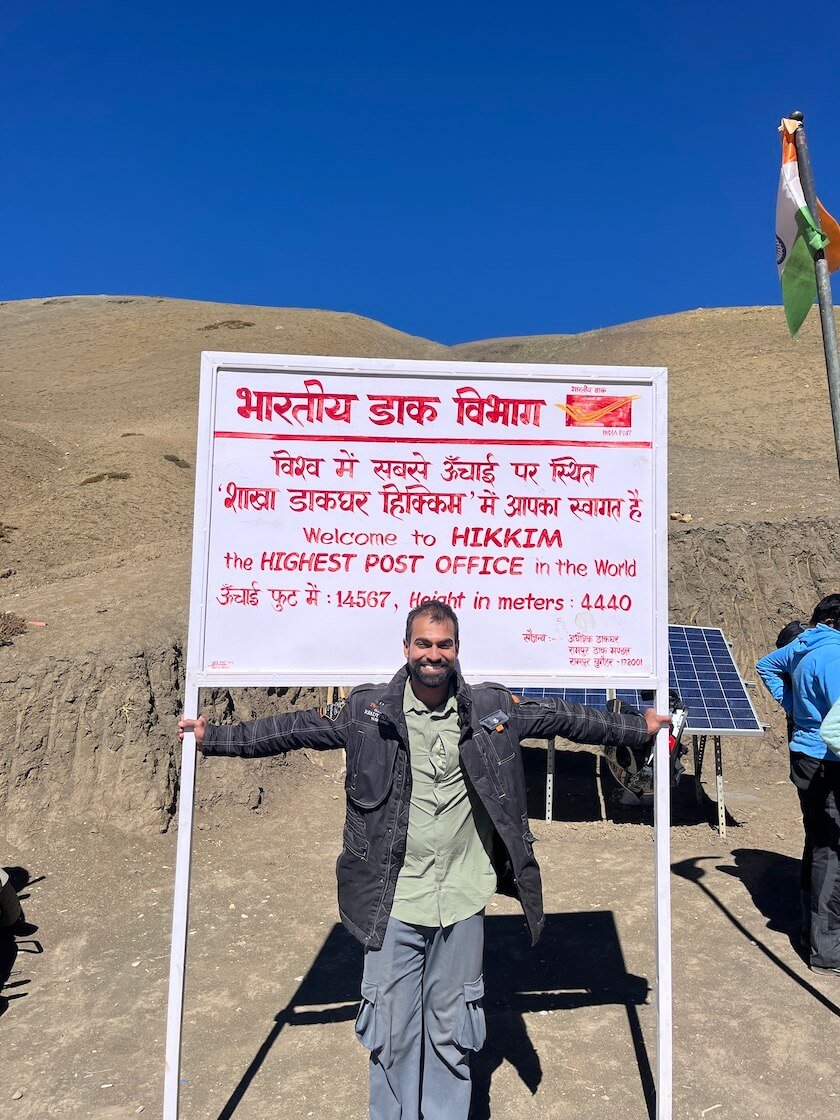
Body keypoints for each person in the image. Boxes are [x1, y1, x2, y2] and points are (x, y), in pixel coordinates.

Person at [179, 599, 670, 1119]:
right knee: (390, 1034)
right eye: (423, 644)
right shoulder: (368, 713)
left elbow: (563, 717)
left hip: (461, 899)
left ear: (456, 650)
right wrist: (215, 739)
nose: (433, 655)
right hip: (393, 901)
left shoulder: (492, 709)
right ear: (406, 648)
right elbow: (291, 729)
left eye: (443, 645)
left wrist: (637, 729)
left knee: (452, 1033)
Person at [756, 595, 840, 976]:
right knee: (832, 850)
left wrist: (791, 705)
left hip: (804, 756)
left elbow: (765, 665)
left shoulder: (803, 647)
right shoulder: (835, 655)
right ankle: (828, 949)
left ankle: (811, 930)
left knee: (817, 839)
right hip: (829, 760)